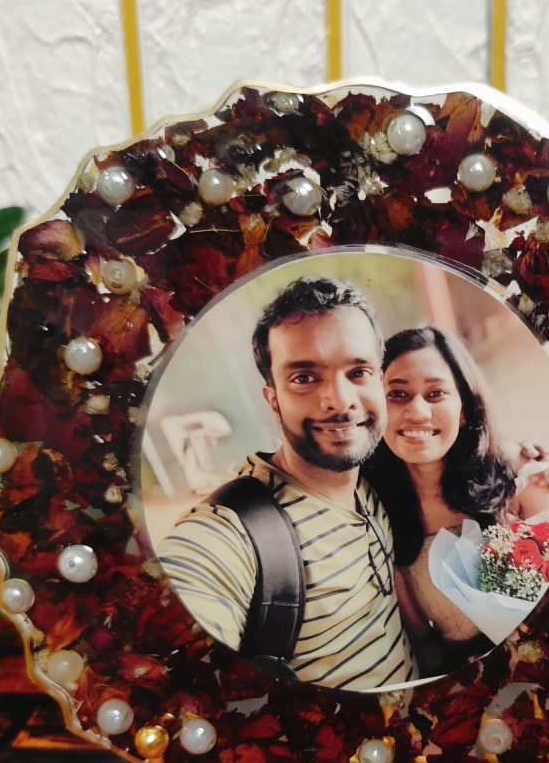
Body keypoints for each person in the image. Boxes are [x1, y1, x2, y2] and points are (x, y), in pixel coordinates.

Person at [159, 277, 414, 693]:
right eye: (304, 378)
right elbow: (193, 577)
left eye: (359, 371)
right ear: (272, 398)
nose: (339, 400)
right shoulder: (237, 532)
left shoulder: (374, 472)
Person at [364, 326, 549, 677]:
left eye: (436, 393)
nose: (417, 412)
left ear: (465, 409)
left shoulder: (523, 475)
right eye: (397, 394)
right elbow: (423, 643)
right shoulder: (377, 508)